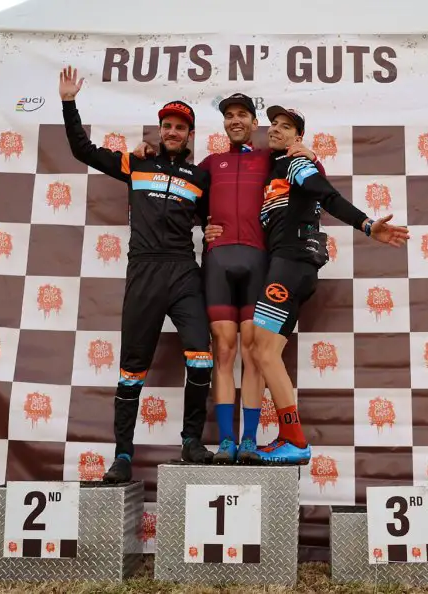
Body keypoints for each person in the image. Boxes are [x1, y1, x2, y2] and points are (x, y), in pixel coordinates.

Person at [204, 106, 410, 465]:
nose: (277, 130)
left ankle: (296, 440)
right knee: (262, 353)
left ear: (298, 138)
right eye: (274, 125)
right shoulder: (273, 167)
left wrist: (366, 225)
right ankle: (288, 437)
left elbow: (326, 194)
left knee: (262, 353)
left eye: (286, 127)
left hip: (291, 266)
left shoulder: (296, 163)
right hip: (286, 267)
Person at [133, 94, 323, 465]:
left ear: (255, 124)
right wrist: (146, 154)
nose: (235, 121)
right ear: (224, 124)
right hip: (218, 263)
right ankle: (225, 441)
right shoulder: (208, 165)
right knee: (222, 350)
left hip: (260, 264)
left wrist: (311, 155)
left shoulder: (272, 158)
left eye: (242, 115)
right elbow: (174, 192)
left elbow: (314, 186)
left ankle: (249, 440)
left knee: (254, 352)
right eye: (229, 116)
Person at [59, 65, 215, 483]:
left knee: (201, 362)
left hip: (184, 272)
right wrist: (69, 102)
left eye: (181, 126)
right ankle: (123, 455)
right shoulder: (135, 164)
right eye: (167, 125)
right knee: (132, 369)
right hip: (144, 271)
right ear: (159, 129)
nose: (173, 131)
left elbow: (213, 216)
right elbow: (82, 150)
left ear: (190, 134)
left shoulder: (201, 177)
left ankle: (192, 441)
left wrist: (214, 228)